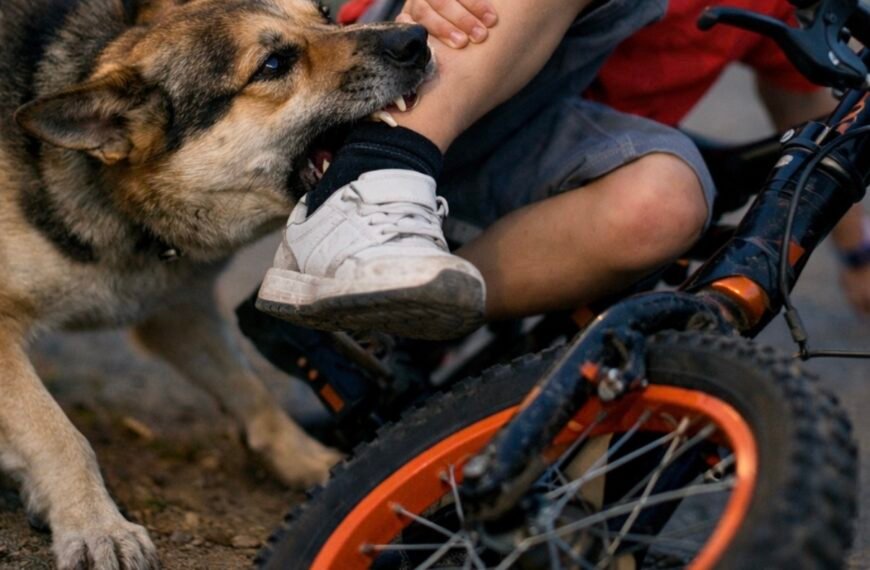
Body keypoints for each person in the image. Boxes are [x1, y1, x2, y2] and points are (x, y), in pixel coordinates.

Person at [256, 0, 713, 340]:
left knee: (662, 205)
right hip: (418, 61)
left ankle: (373, 311)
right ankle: (369, 174)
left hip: (532, 139)